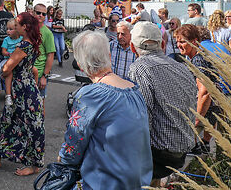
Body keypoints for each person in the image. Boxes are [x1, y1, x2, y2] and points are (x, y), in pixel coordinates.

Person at [59, 30, 153, 188]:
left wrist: (63, 159)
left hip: (104, 181)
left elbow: (74, 143)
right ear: (109, 57)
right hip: (137, 179)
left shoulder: (90, 95)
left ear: (81, 65)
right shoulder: (134, 90)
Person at [127, 22, 197, 186]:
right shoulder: (182, 67)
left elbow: (142, 118)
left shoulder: (139, 68)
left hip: (159, 154)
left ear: (132, 47)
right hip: (182, 150)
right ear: (163, 44)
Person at [0, 12, 44, 176]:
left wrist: (4, 71)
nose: (16, 27)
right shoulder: (30, 44)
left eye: (18, 24)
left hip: (21, 90)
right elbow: (31, 68)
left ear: (25, 27)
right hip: (25, 88)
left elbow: (7, 69)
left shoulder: (23, 47)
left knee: (28, 125)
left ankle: (34, 165)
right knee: (9, 122)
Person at [174, 24, 221, 153]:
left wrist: (196, 118)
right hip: (210, 112)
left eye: (183, 41)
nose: (179, 45)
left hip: (204, 111)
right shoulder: (202, 55)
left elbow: (205, 91)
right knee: (202, 150)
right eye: (177, 41)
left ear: (194, 41)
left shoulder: (198, 60)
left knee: (191, 153)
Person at [32, 3, 56, 113]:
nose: (41, 15)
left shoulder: (47, 33)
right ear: (33, 13)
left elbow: (50, 55)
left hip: (40, 73)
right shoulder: (28, 29)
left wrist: (44, 76)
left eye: (43, 14)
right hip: (27, 72)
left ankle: (40, 128)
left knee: (39, 104)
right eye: (38, 13)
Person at [0, 19, 23, 107]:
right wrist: (9, 54)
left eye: (10, 29)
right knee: (8, 72)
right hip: (9, 59)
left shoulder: (21, 39)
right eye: (7, 29)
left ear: (16, 30)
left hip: (18, 59)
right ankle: (8, 95)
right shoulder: (6, 40)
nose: (8, 31)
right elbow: (3, 51)